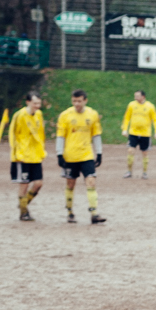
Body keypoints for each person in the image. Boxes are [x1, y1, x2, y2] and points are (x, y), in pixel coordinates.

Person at [55, 89, 107, 224]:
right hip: (70, 156)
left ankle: (94, 213)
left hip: (86, 155)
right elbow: (60, 136)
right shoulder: (65, 115)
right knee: (70, 184)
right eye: (74, 101)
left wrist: (99, 153)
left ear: (85, 100)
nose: (76, 104)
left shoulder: (92, 114)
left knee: (91, 181)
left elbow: (96, 134)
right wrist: (59, 154)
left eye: (79, 101)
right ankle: (70, 212)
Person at [9, 91, 48, 221]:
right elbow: (12, 134)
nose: (37, 106)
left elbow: (41, 133)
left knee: (38, 183)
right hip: (23, 155)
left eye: (39, 103)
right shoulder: (19, 115)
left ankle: (23, 203)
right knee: (24, 184)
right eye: (35, 103)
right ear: (28, 102)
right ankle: (24, 212)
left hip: (35, 155)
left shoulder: (39, 114)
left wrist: (42, 150)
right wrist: (16, 153)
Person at [121, 89, 156, 179]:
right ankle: (129, 171)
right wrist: (124, 129)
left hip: (145, 134)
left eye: (137, 96)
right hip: (133, 133)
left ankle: (144, 173)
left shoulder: (150, 106)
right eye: (135, 96)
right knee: (130, 151)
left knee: (145, 153)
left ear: (143, 97)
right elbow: (126, 117)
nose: (135, 98)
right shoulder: (131, 105)